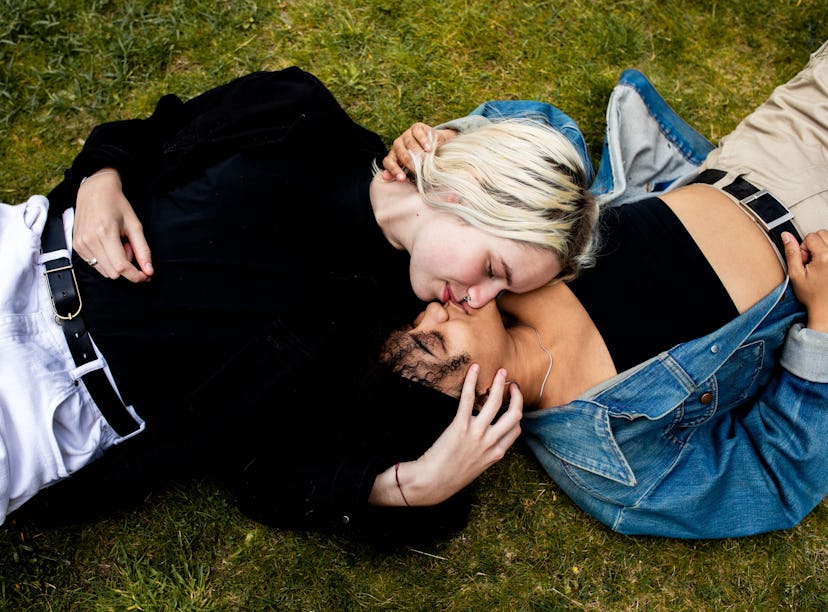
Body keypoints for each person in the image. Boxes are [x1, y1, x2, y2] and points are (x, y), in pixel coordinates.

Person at [1, 65, 600, 543]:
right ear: (464, 191)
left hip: (47, 405)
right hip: (22, 247)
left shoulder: (382, 330)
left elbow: (270, 475)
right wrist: (101, 175)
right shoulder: (300, 114)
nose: (478, 300)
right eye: (493, 270)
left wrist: (414, 484)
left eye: (505, 292)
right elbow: (158, 130)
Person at [377, 40, 828, 538]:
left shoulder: (492, 273)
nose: (434, 311)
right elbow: (771, 480)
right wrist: (823, 325)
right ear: (477, 407)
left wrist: (451, 142)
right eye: (433, 339)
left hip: (767, 156)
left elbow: (542, 144)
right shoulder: (607, 463)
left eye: (415, 321)